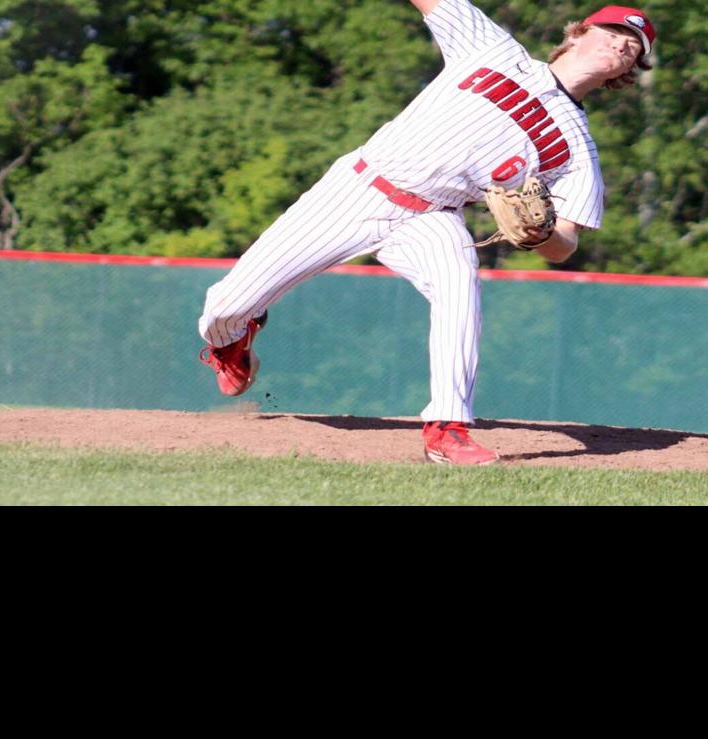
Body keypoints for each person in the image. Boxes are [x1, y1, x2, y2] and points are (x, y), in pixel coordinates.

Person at [197, 1, 657, 465]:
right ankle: (232, 340)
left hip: (433, 216)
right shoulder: (494, 49)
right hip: (360, 187)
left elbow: (567, 243)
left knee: (459, 286)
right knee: (224, 307)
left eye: (633, 46)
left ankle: (448, 427)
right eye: (613, 31)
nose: (621, 42)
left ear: (628, 72)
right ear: (576, 33)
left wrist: (540, 235)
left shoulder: (577, 149)